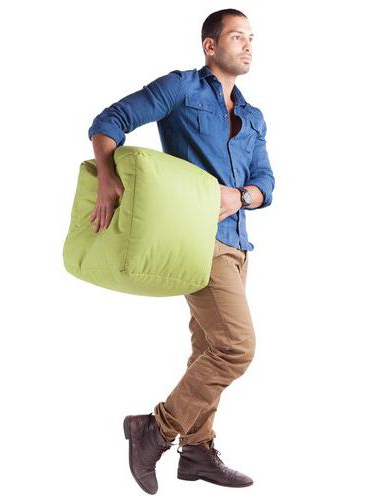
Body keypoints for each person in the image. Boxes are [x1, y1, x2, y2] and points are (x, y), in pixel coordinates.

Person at [88, 8, 275, 494]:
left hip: (239, 245)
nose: (248, 45)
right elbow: (110, 122)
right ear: (210, 46)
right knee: (236, 348)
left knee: (208, 349)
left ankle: (196, 451)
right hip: (197, 240)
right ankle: (154, 429)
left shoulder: (253, 116)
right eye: (237, 37)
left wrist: (242, 196)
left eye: (251, 38)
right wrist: (107, 177)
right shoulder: (182, 88)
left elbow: (266, 181)